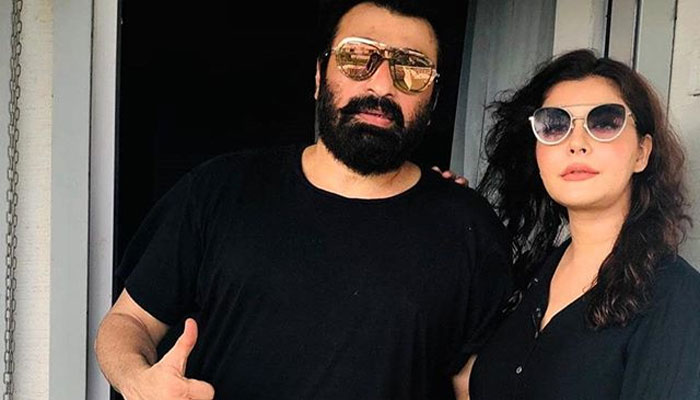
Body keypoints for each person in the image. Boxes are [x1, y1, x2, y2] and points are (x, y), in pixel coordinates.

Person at [95, 1, 512, 399]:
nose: (382, 84)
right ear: (318, 77)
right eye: (357, 57)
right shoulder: (220, 190)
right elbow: (129, 320)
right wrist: (138, 382)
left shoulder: (469, 228)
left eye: (412, 68)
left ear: (433, 100)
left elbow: (472, 386)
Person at [458, 49, 700, 399]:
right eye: (554, 125)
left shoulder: (677, 298)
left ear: (642, 152)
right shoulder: (530, 276)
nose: (576, 143)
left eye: (605, 122)